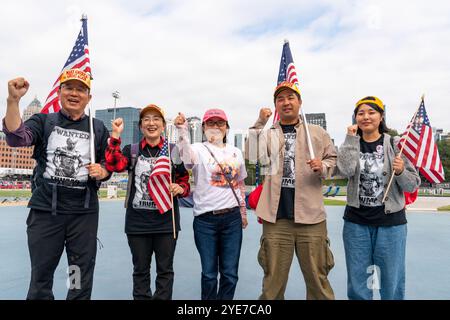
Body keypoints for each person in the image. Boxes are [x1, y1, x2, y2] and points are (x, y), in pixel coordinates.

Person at [2, 69, 111, 300]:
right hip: (46, 213)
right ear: (59, 92)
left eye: (81, 89)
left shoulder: (98, 128)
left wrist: (102, 171)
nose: (74, 93)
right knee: (42, 275)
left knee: (78, 275)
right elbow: (16, 137)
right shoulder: (44, 121)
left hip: (82, 215)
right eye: (69, 88)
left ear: (89, 98)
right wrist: (13, 101)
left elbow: (107, 164)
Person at [247, 81, 337, 300]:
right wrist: (260, 123)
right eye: (280, 99)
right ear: (276, 105)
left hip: (311, 218)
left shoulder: (316, 132)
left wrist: (323, 166)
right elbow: (251, 156)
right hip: (276, 219)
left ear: (300, 102)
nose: (286, 102)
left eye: (290, 97)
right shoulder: (267, 134)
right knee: (272, 286)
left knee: (318, 282)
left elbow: (334, 161)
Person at [336, 96, 420, 300]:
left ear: (381, 116)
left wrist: (400, 172)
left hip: (391, 224)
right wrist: (350, 139)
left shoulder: (396, 144)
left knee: (391, 281)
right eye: (361, 113)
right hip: (357, 223)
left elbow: (413, 183)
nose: (366, 117)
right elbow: (345, 170)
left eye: (371, 112)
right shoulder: (351, 143)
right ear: (355, 117)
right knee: (358, 281)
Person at [105, 104, 190, 300]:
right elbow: (113, 164)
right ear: (141, 126)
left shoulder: (173, 151)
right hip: (137, 224)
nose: (151, 123)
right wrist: (115, 135)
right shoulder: (132, 150)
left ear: (162, 125)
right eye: (146, 119)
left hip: (167, 224)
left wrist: (180, 188)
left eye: (156, 119)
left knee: (165, 272)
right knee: (140, 272)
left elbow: (185, 180)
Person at [174, 109, 248, 300]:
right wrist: (182, 130)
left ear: (227, 128)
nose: (215, 127)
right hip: (205, 221)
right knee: (208, 275)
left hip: (232, 220)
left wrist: (243, 212)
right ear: (204, 128)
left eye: (220, 123)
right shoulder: (198, 149)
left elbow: (239, 184)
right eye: (210, 123)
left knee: (230, 274)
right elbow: (185, 158)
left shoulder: (236, 152)